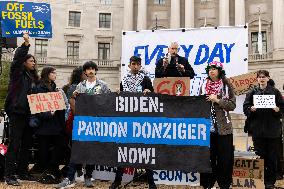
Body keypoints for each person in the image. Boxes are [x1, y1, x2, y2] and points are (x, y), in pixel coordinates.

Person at [56, 61, 110, 189]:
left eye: (93, 68)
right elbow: (73, 102)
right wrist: (74, 97)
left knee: (92, 150)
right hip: (82, 122)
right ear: (85, 72)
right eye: (88, 69)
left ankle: (88, 176)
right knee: (77, 150)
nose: (90, 71)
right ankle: (69, 178)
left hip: (96, 122)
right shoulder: (80, 85)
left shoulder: (103, 85)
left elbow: (108, 102)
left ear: (96, 70)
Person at [109, 56, 156, 189]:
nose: (135, 66)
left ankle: (152, 183)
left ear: (140, 66)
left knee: (144, 151)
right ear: (129, 65)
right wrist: (119, 93)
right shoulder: (124, 80)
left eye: (138, 64)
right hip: (128, 120)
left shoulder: (146, 79)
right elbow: (121, 99)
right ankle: (117, 181)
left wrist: (149, 92)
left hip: (142, 120)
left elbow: (153, 98)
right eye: (133, 64)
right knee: (124, 150)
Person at [4, 33, 39, 186]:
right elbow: (17, 59)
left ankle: (22, 171)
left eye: (34, 61)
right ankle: (9, 174)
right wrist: (25, 44)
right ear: (24, 63)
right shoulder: (17, 73)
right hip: (16, 112)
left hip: (28, 114)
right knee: (15, 144)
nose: (34, 63)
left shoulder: (32, 78)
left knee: (26, 144)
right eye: (31, 61)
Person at [243, 70, 284, 189]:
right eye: (260, 77)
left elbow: (282, 107)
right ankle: (260, 181)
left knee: (272, 157)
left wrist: (278, 110)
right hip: (258, 130)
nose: (261, 79)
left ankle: (270, 182)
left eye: (264, 77)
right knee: (260, 157)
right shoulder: (252, 92)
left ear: (268, 78)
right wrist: (251, 109)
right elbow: (245, 106)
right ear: (257, 79)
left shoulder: (275, 92)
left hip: (272, 131)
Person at [199, 61, 236, 189]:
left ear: (220, 71)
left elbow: (232, 105)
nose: (211, 71)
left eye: (214, 68)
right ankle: (207, 184)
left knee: (224, 159)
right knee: (208, 158)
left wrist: (217, 100)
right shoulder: (203, 84)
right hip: (207, 128)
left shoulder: (226, 84)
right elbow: (198, 102)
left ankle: (224, 184)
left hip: (224, 129)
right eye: (209, 69)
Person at [31, 66, 67, 184]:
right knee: (44, 150)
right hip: (44, 125)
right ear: (47, 74)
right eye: (53, 73)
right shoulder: (38, 88)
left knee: (61, 145)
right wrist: (48, 114)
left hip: (56, 125)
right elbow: (36, 108)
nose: (55, 75)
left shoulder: (55, 88)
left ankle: (53, 168)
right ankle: (48, 171)